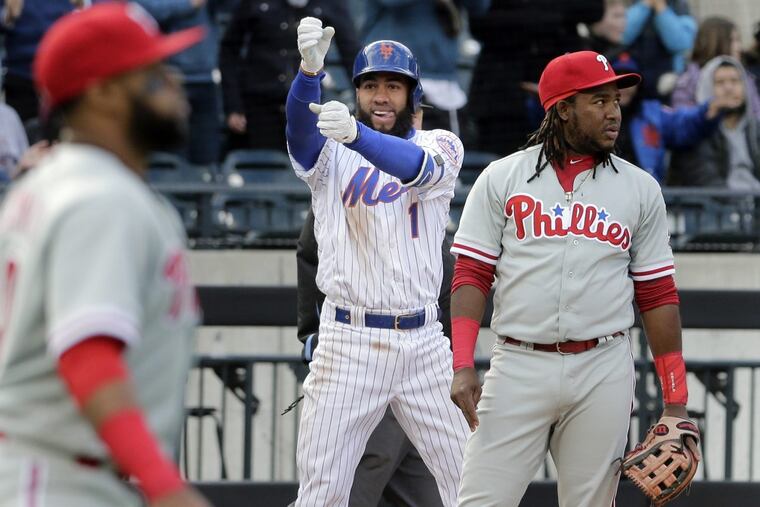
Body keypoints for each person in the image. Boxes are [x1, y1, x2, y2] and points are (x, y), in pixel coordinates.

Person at [449, 50, 698, 507]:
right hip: (518, 363)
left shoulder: (640, 188)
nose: (613, 111)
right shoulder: (502, 177)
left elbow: (658, 292)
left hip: (601, 367)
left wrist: (675, 399)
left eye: (615, 100)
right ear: (563, 109)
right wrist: (463, 363)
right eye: (598, 100)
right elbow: (472, 271)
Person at [0, 4, 210, 507]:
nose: (174, 81)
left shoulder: (53, 186)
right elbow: (87, 355)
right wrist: (165, 487)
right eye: (153, 72)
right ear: (102, 92)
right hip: (60, 479)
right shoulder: (99, 197)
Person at [286, 17, 468, 507]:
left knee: (471, 483)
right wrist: (307, 75)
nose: (381, 95)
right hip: (349, 341)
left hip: (425, 342)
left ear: (414, 96)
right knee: (322, 493)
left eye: (394, 85)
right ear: (358, 91)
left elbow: (414, 168)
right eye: (370, 85)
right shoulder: (330, 154)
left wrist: (357, 137)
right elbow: (299, 133)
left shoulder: (441, 145)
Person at [296, 206, 453, 507]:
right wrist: (318, 338)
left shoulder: (426, 177)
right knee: (340, 494)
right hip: (365, 367)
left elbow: (448, 274)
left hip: (428, 372)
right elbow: (309, 250)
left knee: (447, 495)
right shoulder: (346, 179)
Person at [219, 0, 359, 152]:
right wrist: (233, 105)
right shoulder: (254, 4)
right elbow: (229, 52)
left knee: (307, 165)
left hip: (308, 105)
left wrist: (361, 103)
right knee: (266, 163)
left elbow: (350, 53)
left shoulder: (330, 4)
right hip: (260, 104)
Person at [360, 0, 491, 135]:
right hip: (394, 78)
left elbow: (480, 6)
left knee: (445, 152)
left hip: (444, 82)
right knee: (392, 150)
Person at [612, 52, 725, 183]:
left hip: (646, 194)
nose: (625, 88)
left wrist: (707, 110)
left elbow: (682, 124)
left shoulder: (652, 112)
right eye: (619, 80)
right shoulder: (597, 114)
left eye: (630, 81)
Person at [134, 0, 223, 165]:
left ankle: (206, 190)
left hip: (206, 79)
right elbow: (146, 11)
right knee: (173, 157)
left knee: (208, 159)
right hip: (169, 79)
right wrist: (189, 4)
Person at [670, 56, 760, 188]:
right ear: (706, 88)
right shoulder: (697, 131)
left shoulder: (755, 129)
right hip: (716, 206)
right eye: (720, 82)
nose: (729, 88)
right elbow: (706, 181)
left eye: (735, 81)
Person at [671, 16, 760, 120]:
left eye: (738, 40)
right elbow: (683, 123)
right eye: (733, 40)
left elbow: (756, 113)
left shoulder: (745, 76)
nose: (739, 47)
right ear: (714, 43)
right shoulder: (689, 82)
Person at [622, 0, 696, 99]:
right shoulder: (631, 4)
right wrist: (645, 5)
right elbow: (622, 36)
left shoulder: (679, 6)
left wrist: (661, 9)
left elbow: (680, 43)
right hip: (632, 83)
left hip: (667, 85)